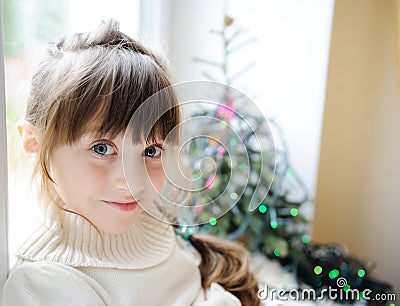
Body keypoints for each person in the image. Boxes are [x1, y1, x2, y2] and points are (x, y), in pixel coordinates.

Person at [2, 20, 260, 306]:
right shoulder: (42, 285)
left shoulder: (154, 226)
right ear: (32, 142)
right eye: (102, 148)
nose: (133, 181)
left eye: (151, 151)